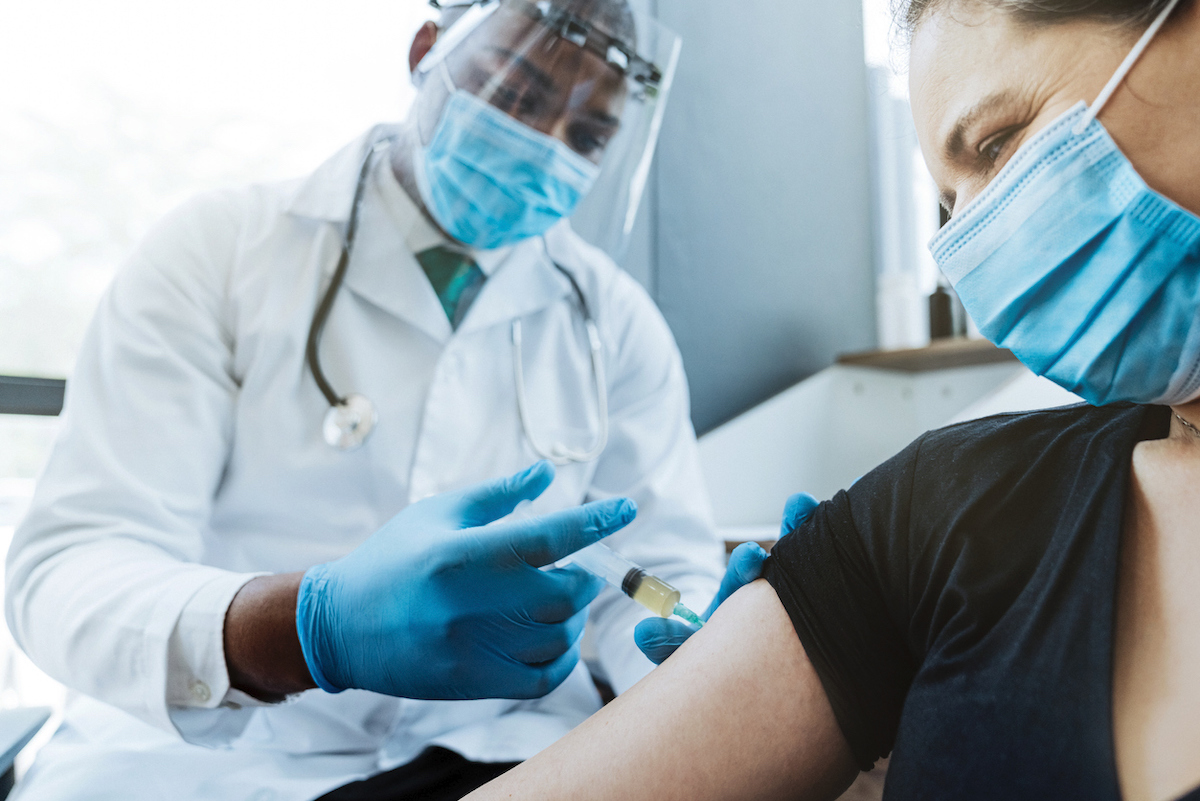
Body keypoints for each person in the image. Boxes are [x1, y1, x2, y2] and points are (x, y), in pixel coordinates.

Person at [457, 1, 1200, 799]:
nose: (987, 255)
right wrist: (304, 632)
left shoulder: (610, 320)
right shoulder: (945, 513)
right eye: (951, 211)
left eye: (995, 142)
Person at [4, 2, 735, 799]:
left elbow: (656, 568)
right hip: (210, 762)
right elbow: (67, 570)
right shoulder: (218, 250)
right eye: (517, 96)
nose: (543, 145)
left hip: (500, 752)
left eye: (587, 136)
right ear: (428, 51)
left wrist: (710, 643)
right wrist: (308, 629)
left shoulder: (614, 323)